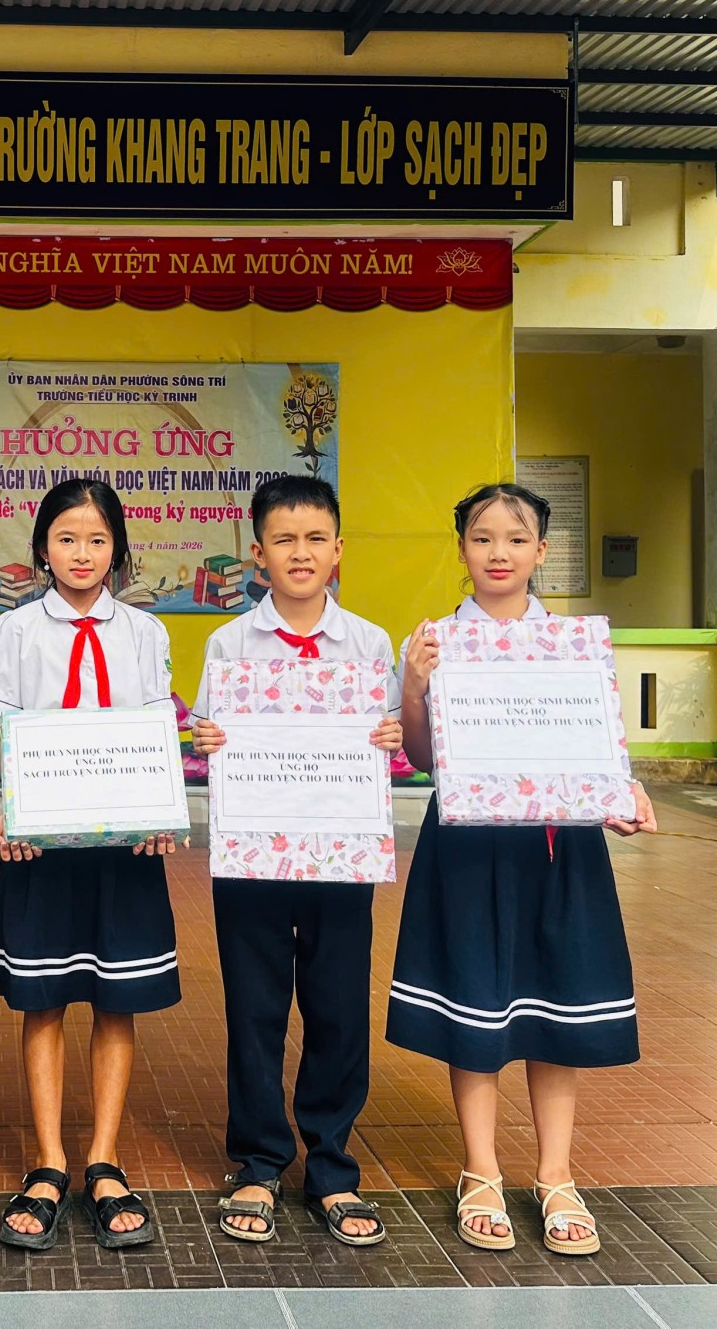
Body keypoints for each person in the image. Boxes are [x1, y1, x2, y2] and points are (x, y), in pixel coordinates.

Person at [388, 483, 657, 1257]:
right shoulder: (436, 641)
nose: (497, 553)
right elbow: (424, 758)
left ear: (541, 551)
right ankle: (479, 1171)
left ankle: (555, 1175)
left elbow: (594, 743)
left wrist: (622, 791)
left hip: (557, 845)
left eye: (514, 538)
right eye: (481, 537)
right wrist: (414, 685)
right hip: (468, 848)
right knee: (473, 1001)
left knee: (554, 1002)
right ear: (461, 548)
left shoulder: (572, 644)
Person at [191, 475, 401, 1248]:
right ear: (258, 554)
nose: (300, 553)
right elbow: (209, 733)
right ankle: (257, 1161)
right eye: (284, 539)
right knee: (253, 1007)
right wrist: (206, 740)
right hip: (254, 854)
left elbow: (391, 734)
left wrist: (389, 738)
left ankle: (332, 1166)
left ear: (338, 550)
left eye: (315, 539)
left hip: (339, 853)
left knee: (338, 1006)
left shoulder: (369, 644)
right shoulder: (229, 644)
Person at [0, 479, 180, 1252]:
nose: (82, 553)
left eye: (97, 540)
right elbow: (3, 731)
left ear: (117, 549)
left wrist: (161, 812)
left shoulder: (144, 633)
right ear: (42, 549)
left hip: (125, 846)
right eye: (67, 538)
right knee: (43, 1001)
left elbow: (156, 730)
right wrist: (10, 810)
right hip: (41, 843)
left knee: (115, 1000)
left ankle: (103, 1159)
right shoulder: (15, 630)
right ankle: (48, 1163)